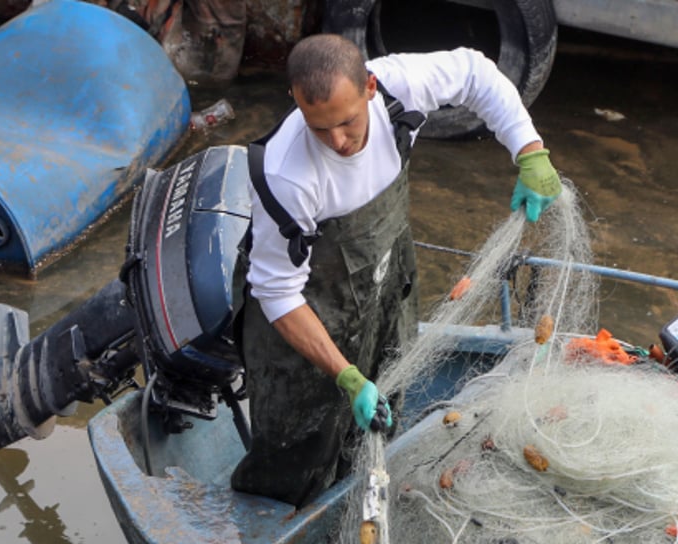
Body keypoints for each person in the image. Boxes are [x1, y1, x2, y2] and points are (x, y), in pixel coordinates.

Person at [231, 33, 562, 507]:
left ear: (369, 86)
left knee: (387, 395)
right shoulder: (288, 175)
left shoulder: (398, 87)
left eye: (347, 122)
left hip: (385, 284)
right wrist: (346, 376)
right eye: (319, 128)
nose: (338, 141)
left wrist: (527, 148)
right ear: (295, 103)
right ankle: (280, 526)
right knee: (296, 450)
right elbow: (278, 294)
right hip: (306, 318)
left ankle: (360, 495)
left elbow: (474, 72)